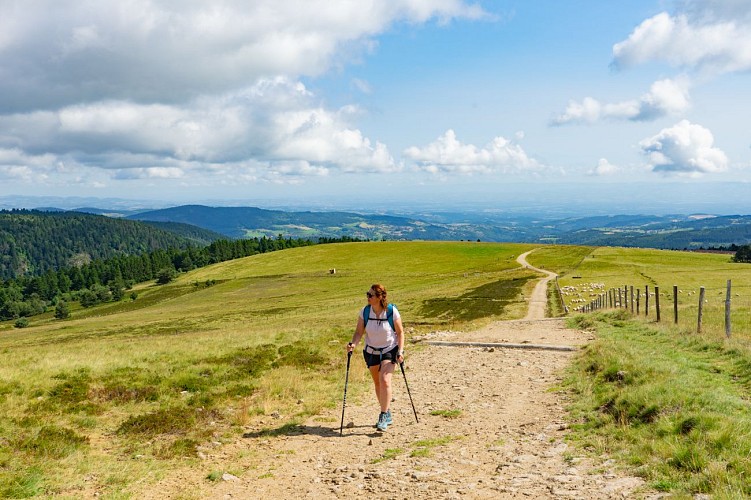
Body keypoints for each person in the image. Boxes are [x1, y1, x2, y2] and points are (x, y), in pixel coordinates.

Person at [346, 283, 404, 432]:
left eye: (370, 295)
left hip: (389, 350)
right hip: (370, 351)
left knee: (384, 380)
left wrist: (400, 351)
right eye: (367, 294)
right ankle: (387, 411)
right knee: (378, 383)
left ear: (379, 297)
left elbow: (400, 332)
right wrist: (353, 344)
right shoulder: (365, 312)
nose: (368, 297)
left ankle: (383, 415)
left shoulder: (391, 312)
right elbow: (359, 332)